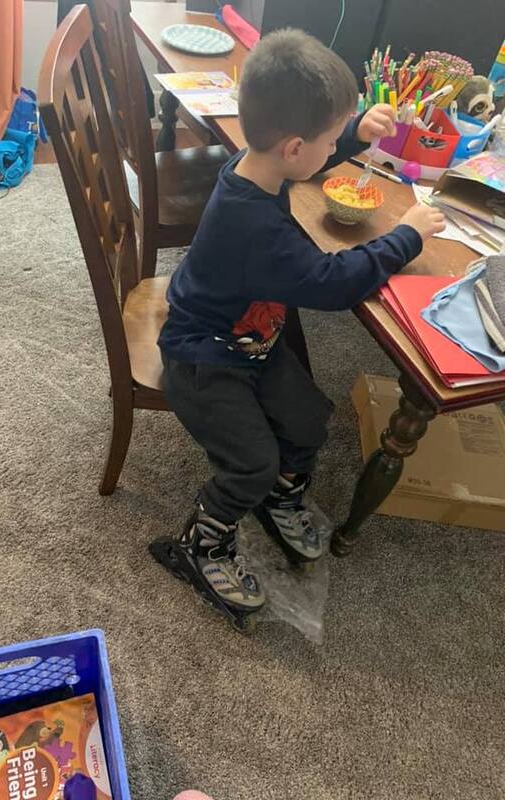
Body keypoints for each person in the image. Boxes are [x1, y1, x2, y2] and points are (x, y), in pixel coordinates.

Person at [150, 28, 445, 628]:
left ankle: (279, 496)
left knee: (308, 418)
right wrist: (407, 234)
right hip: (203, 355)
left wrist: (356, 127)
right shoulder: (252, 225)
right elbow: (333, 283)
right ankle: (201, 541)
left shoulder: (257, 168)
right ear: (292, 147)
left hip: (248, 336)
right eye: (331, 138)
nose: (336, 144)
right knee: (250, 464)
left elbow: (305, 153)